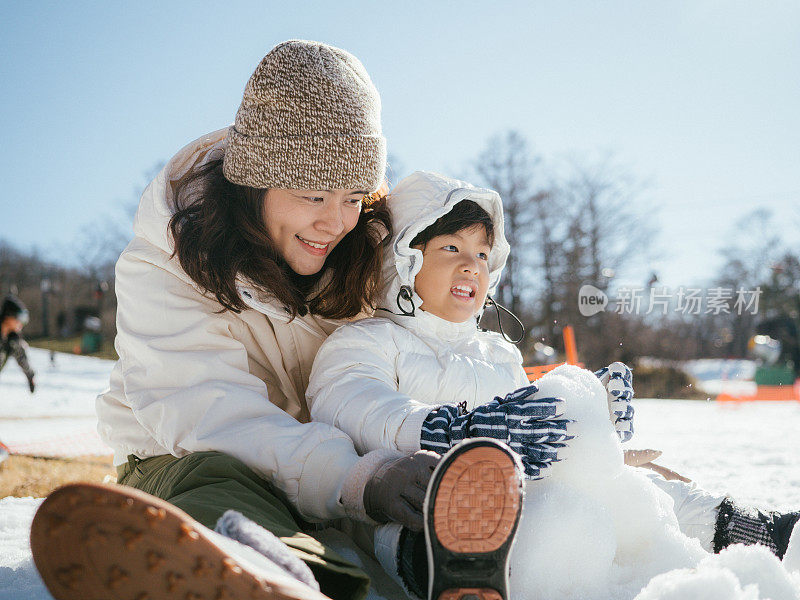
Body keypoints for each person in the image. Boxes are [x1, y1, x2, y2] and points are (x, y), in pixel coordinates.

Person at [30, 40, 444, 600]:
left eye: (352, 197)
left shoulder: (366, 253)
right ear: (255, 184)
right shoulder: (167, 261)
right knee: (220, 493)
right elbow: (211, 414)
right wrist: (352, 479)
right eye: (312, 195)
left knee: (389, 548)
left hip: (335, 477)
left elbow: (434, 332)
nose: (334, 222)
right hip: (192, 460)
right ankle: (265, 575)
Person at [306, 170, 800, 596]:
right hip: (415, 501)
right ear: (403, 259)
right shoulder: (368, 341)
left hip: (528, 491)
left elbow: (535, 435)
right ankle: (461, 573)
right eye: (450, 247)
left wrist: (592, 434)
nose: (469, 265)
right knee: (528, 523)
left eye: (482, 254)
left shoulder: (498, 354)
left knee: (628, 489)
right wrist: (449, 431)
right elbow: (351, 405)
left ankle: (751, 531)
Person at [0, 295, 35, 393]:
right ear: (8, 317)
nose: (21, 324)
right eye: (19, 318)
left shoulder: (12, 340)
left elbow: (22, 358)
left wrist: (30, 377)